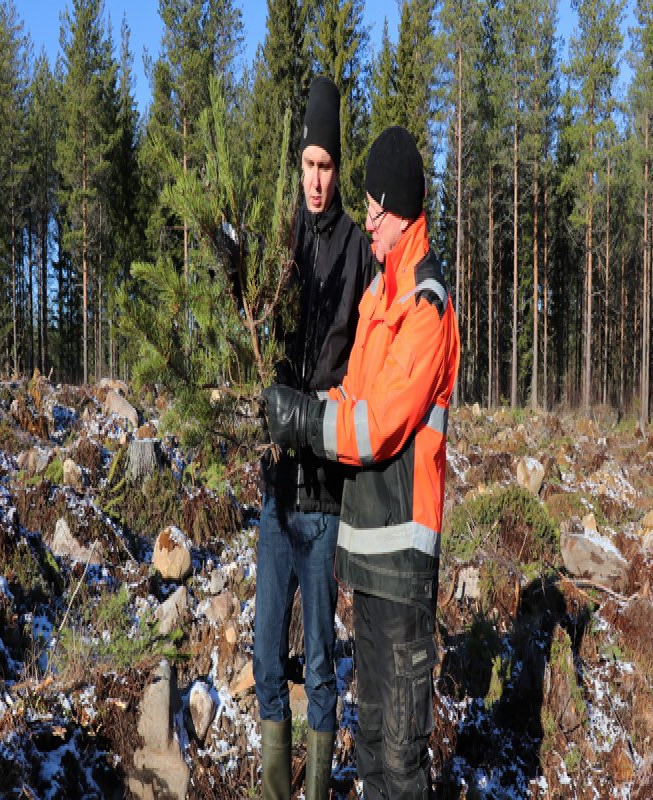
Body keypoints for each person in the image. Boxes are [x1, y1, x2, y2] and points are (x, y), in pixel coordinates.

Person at [262, 125, 461, 799]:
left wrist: (303, 420)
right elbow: (353, 394)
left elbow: (378, 426)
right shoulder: (380, 294)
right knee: (371, 742)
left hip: (403, 567)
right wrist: (304, 406)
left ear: (400, 211)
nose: (365, 219)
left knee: (402, 761)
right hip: (368, 560)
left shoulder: (424, 306)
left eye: (375, 207)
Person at [253, 75, 376, 800]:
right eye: (308, 165)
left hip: (324, 493)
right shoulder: (283, 238)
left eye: (327, 166)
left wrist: (337, 404)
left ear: (339, 167)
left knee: (322, 661)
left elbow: (366, 363)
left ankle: (321, 786)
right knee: (268, 655)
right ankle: (274, 788)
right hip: (274, 485)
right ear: (297, 165)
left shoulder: (358, 252)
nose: (317, 179)